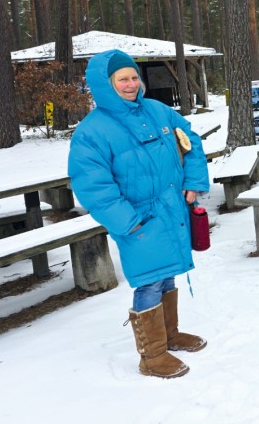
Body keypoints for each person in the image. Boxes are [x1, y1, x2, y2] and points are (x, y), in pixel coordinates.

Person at [68, 49, 210, 379]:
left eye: (134, 77)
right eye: (123, 79)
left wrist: (193, 181)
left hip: (171, 209)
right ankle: (152, 356)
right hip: (139, 220)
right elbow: (94, 188)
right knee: (149, 282)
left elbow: (192, 141)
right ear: (105, 85)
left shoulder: (158, 111)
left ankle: (170, 336)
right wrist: (130, 223)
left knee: (169, 272)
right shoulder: (92, 132)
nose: (131, 84)